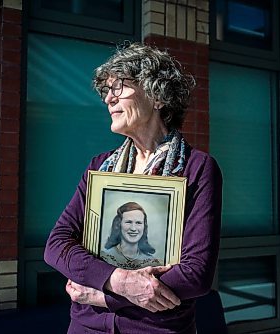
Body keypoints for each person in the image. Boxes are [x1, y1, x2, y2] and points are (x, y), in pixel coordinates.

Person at [44, 42, 223, 334]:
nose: (109, 99)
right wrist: (117, 281)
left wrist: (104, 296)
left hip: (156, 328)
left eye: (120, 87)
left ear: (157, 96)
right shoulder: (99, 167)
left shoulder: (197, 168)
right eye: (107, 91)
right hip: (87, 326)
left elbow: (196, 274)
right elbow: (56, 246)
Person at [101, 201, 161, 270]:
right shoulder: (104, 258)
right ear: (119, 225)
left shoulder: (153, 263)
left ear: (144, 227)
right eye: (128, 222)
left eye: (138, 223)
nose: (133, 228)